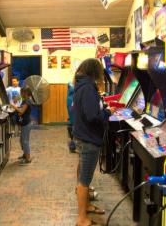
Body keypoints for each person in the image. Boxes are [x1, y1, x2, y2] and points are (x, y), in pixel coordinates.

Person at [72, 58, 114, 226]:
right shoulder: (88, 87)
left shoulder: (81, 84)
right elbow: (92, 116)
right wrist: (107, 112)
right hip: (89, 138)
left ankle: (87, 205)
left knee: (82, 172)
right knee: (84, 180)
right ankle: (82, 219)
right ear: (95, 71)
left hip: (82, 136)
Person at [12, 86, 33, 165]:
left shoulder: (27, 101)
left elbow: (21, 111)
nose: (20, 94)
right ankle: (25, 155)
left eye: (21, 92)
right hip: (25, 123)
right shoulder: (25, 100)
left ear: (25, 93)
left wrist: (14, 107)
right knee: (22, 140)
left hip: (26, 124)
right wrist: (17, 107)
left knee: (25, 141)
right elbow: (21, 111)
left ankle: (28, 159)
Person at [66, 82, 76, 152]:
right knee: (73, 123)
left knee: (73, 123)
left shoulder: (71, 85)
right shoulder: (71, 85)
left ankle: (72, 145)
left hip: (71, 102)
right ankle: (72, 146)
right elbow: (72, 88)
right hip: (71, 103)